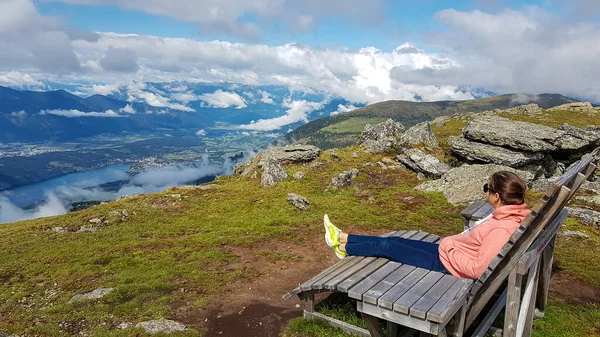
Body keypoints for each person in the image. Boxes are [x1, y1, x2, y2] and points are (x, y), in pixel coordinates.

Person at [323, 171, 531, 279]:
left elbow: (476, 270)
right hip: (448, 255)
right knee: (395, 241)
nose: (485, 191)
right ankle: (343, 240)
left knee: (389, 247)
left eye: (487, 188)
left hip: (447, 266)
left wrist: (449, 245)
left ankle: (343, 245)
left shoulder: (503, 229)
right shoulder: (511, 215)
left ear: (496, 196)